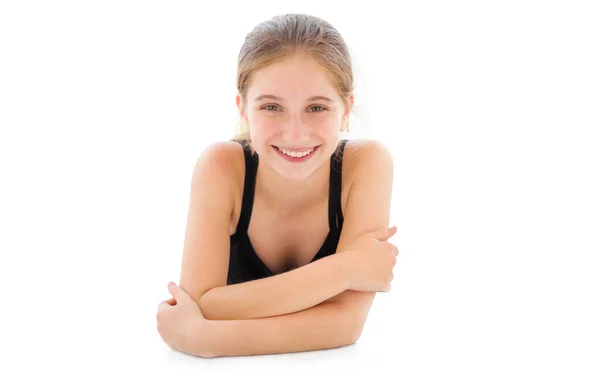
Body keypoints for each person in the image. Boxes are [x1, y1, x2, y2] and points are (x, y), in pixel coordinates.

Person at [156, 13, 398, 358]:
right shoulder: (221, 167)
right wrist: (346, 269)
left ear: (347, 109)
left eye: (317, 107)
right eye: (271, 107)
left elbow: (345, 324)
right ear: (243, 108)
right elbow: (201, 304)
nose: (295, 134)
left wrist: (203, 338)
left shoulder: (368, 164)